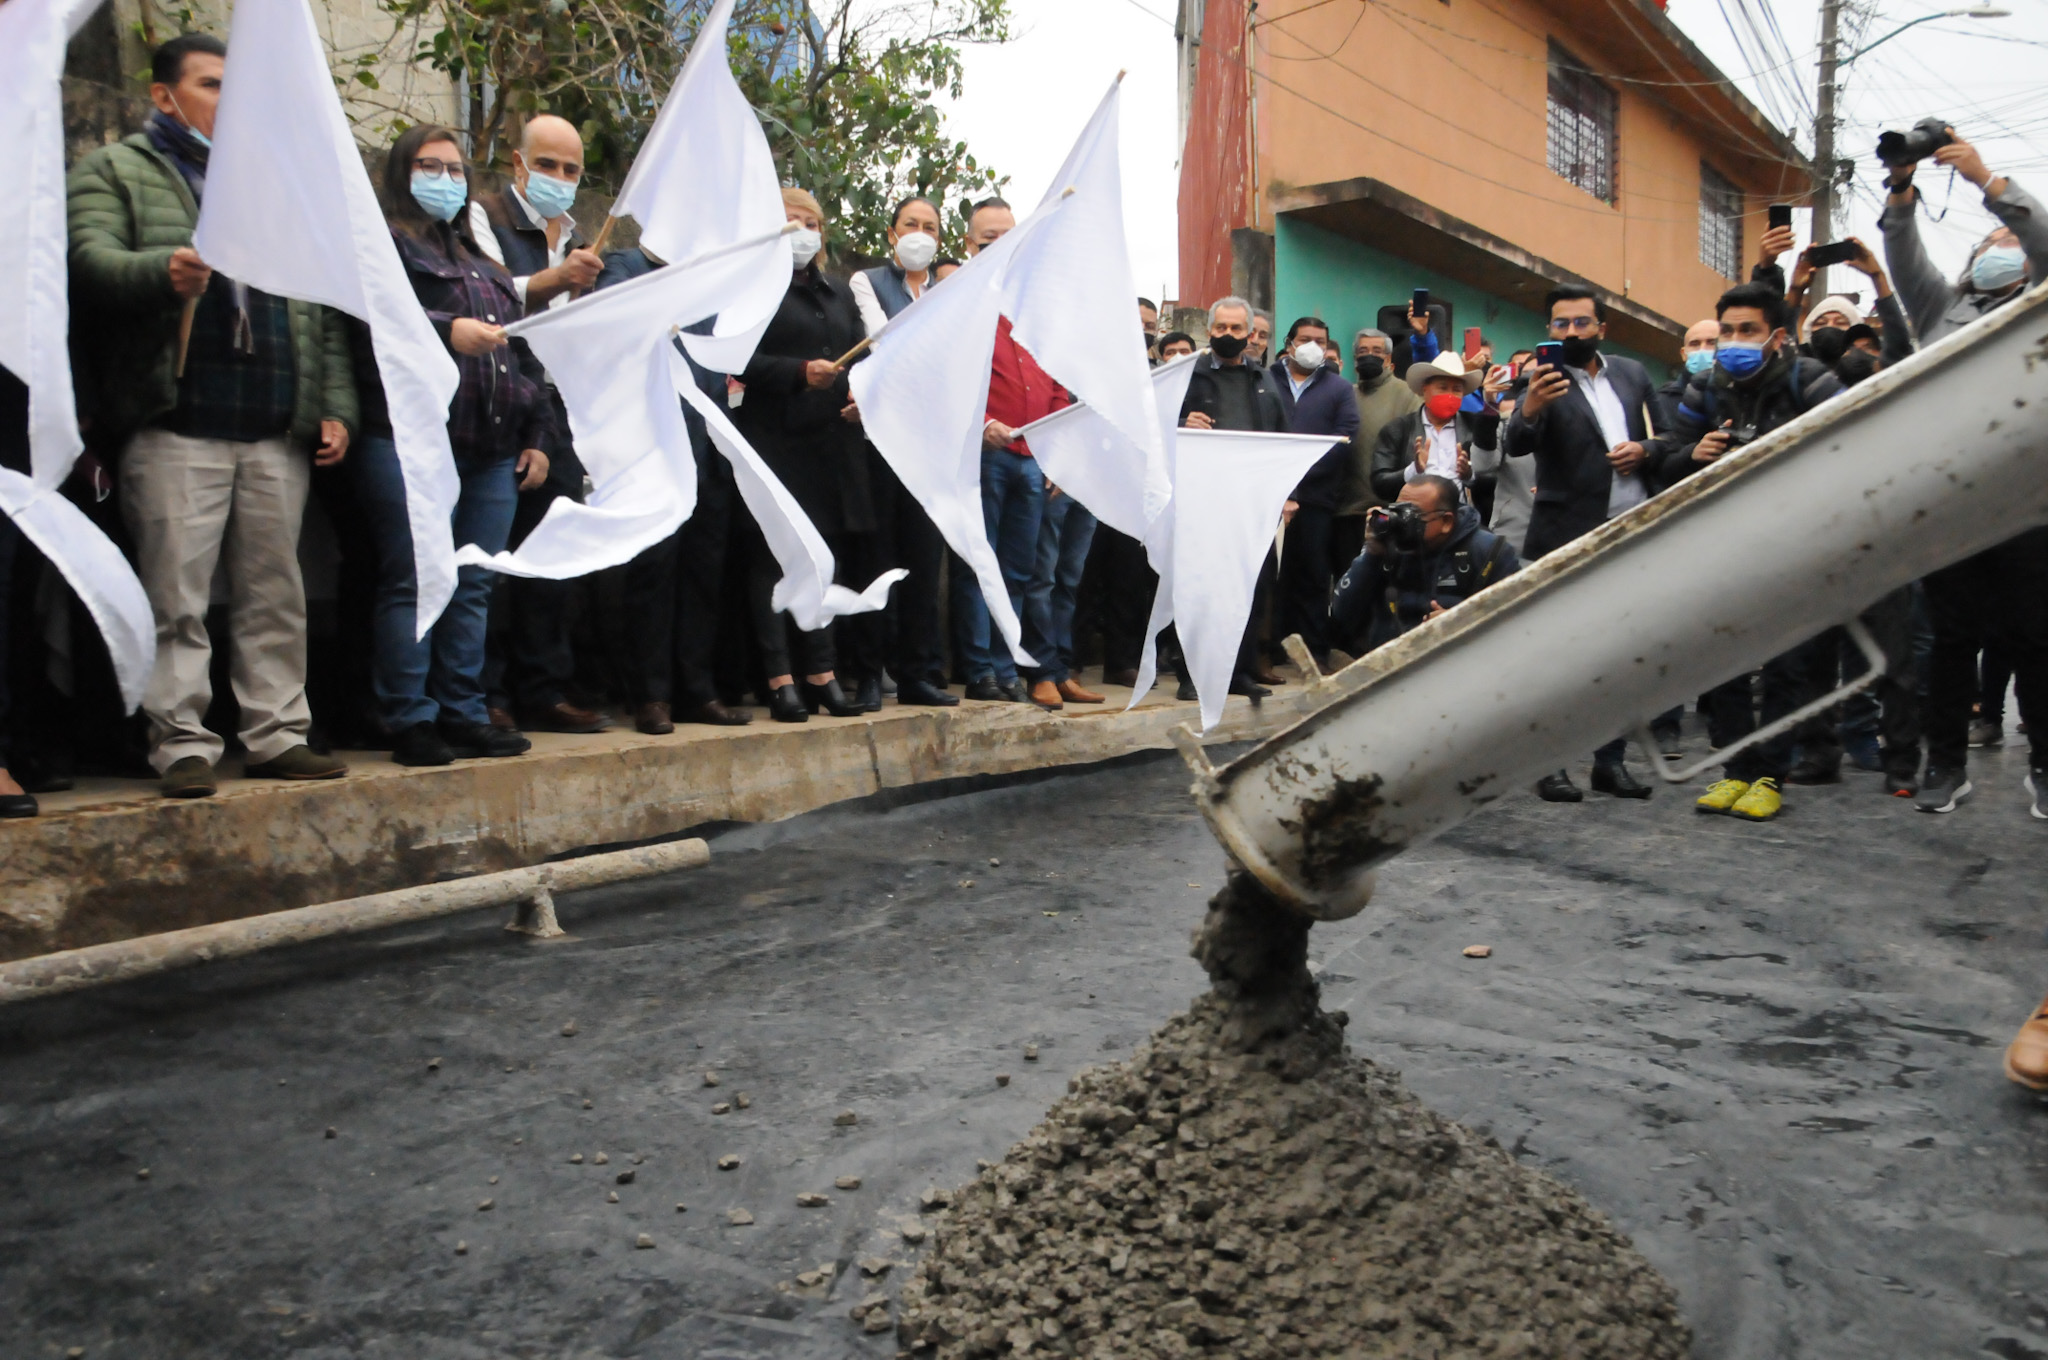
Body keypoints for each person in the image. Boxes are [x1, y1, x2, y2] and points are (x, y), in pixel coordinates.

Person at [67, 33, 357, 799]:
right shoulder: (115, 170)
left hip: (270, 422)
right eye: (211, 85)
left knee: (274, 593)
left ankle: (278, 732)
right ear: (165, 97)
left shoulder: (272, 187)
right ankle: (181, 742)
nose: (230, 103)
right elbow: (88, 262)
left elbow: (319, 305)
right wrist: (159, 273)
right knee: (176, 596)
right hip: (175, 421)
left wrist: (330, 406)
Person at [349, 125, 553, 767]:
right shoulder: (382, 248)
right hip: (412, 442)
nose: (446, 180)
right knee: (414, 578)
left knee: (473, 582)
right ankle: (409, 716)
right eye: (430, 167)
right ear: (401, 174)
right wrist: (445, 330)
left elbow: (523, 354)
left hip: (493, 449)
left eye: (456, 169)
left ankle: (463, 710)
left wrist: (538, 435)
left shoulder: (484, 264)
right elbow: (366, 322)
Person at [1881, 125, 2048, 823]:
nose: (1997, 251)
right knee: (1951, 640)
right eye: (1988, 246)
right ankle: (1944, 764)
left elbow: (2039, 234)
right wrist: (1900, 187)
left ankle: (2043, 762)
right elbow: (1902, 253)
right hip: (1953, 500)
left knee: (2034, 636)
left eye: (2006, 245)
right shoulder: (1944, 309)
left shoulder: (2040, 301)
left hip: (2029, 499)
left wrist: (1984, 179)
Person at [1646, 281, 1845, 821]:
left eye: (1746, 331)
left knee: (1787, 665)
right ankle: (1735, 770)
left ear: (1776, 336)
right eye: (1727, 330)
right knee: (1722, 662)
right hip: (1723, 544)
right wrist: (1694, 452)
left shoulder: (1811, 381)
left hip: (1795, 543)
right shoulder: (1705, 389)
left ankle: (1769, 776)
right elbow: (1664, 462)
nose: (1732, 342)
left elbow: (1851, 449)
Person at [465, 114, 606, 736]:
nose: (558, 179)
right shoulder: (482, 217)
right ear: (518, 164)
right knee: (494, 560)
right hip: (500, 404)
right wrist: (558, 279)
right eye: (546, 165)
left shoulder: (582, 239)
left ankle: (543, 689)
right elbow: (493, 297)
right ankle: (489, 693)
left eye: (571, 170)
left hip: (562, 412)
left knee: (554, 559)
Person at [1504, 284, 1659, 802]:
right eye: (1560, 324)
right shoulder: (1540, 380)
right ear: (1548, 330)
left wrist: (1646, 450)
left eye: (1580, 323)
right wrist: (1528, 407)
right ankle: (1550, 766)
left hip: (1630, 535)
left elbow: (1672, 437)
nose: (1570, 332)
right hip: (1564, 537)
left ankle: (1609, 763)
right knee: (1558, 660)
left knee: (1619, 656)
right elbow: (1516, 443)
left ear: (1601, 329)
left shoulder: (1633, 375)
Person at [730, 188, 873, 723]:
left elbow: (859, 357)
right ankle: (779, 676)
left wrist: (862, 394)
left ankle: (822, 671)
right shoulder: (753, 290)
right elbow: (738, 359)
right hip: (773, 442)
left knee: (821, 559)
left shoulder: (837, 293)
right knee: (770, 561)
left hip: (831, 446)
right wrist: (797, 373)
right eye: (791, 221)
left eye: (810, 222)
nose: (803, 230)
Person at [602, 244, 754, 733]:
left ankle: (696, 691)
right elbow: (616, 325)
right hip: (653, 451)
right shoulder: (626, 266)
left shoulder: (711, 280)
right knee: (653, 575)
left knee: (702, 577)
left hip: (708, 454)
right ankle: (651, 695)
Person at [955, 196, 1067, 704]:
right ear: (969, 245)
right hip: (983, 455)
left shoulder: (1036, 307)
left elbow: (1058, 388)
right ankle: (980, 671)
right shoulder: (959, 303)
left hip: (1033, 460)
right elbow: (942, 381)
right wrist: (981, 425)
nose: (1000, 246)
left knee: (1019, 572)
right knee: (981, 566)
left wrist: (1057, 452)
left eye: (1008, 236)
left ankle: (1007, 668)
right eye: (987, 239)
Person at [848, 197, 958, 708]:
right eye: (910, 225)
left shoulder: (952, 290)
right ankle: (869, 672)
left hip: (929, 448)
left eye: (929, 226)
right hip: (880, 443)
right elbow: (883, 341)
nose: (920, 233)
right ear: (892, 234)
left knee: (922, 561)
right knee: (876, 560)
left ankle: (917, 674)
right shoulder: (867, 282)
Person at [1180, 296, 1288, 699]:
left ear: (1251, 334)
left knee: (1250, 589)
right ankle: (1195, 676)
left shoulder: (1262, 379)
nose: (1228, 335)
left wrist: (1285, 494)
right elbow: (1150, 425)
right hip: (1202, 502)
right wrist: (1181, 422)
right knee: (1203, 589)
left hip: (1252, 506)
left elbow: (1283, 438)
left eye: (1236, 329)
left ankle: (1238, 672)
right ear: (1209, 331)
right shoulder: (1186, 375)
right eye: (1221, 328)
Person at [1330, 474, 1518, 655]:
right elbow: (1342, 616)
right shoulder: (1387, 547)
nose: (1402, 525)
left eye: (1412, 517)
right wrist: (1371, 554)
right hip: (1391, 663)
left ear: (1446, 521)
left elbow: (1516, 623)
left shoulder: (1487, 552)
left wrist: (1461, 621)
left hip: (1460, 658)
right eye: (1398, 512)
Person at [1267, 318, 1360, 672]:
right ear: (1289, 343)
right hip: (1267, 495)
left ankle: (1314, 653)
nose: (1312, 346)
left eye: (1319, 340)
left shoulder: (1338, 389)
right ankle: (1270, 649)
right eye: (1305, 339)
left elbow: (1345, 437)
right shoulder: (1265, 380)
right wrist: (1278, 482)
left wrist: (1299, 475)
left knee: (1311, 576)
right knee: (1272, 576)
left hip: (1315, 497)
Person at [1332, 328, 1423, 574]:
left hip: (1388, 512)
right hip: (1347, 513)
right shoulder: (1345, 395)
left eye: (1376, 351)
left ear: (1389, 360)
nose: (1369, 356)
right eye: (1363, 351)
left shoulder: (1408, 395)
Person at [1368, 351, 1497, 505]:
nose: (1449, 395)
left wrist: (1469, 475)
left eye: (1456, 389)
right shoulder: (1398, 429)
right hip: (1414, 517)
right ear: (1425, 389)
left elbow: (1491, 476)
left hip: (1461, 517)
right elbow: (1380, 484)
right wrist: (1413, 470)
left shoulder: (1474, 426)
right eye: (1442, 388)